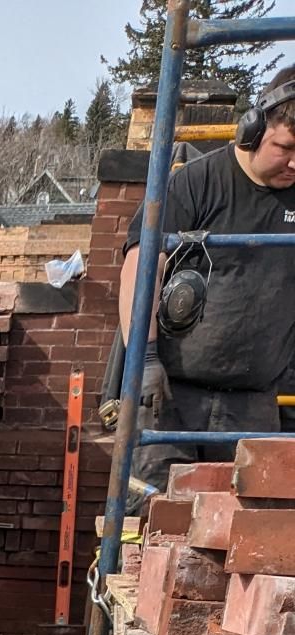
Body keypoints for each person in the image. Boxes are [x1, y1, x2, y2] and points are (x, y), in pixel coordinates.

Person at [121, 67, 295, 486]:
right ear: (252, 130)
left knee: (240, 530)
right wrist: (144, 360)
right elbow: (141, 266)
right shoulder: (195, 184)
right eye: (286, 147)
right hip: (171, 396)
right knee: (156, 520)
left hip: (257, 403)